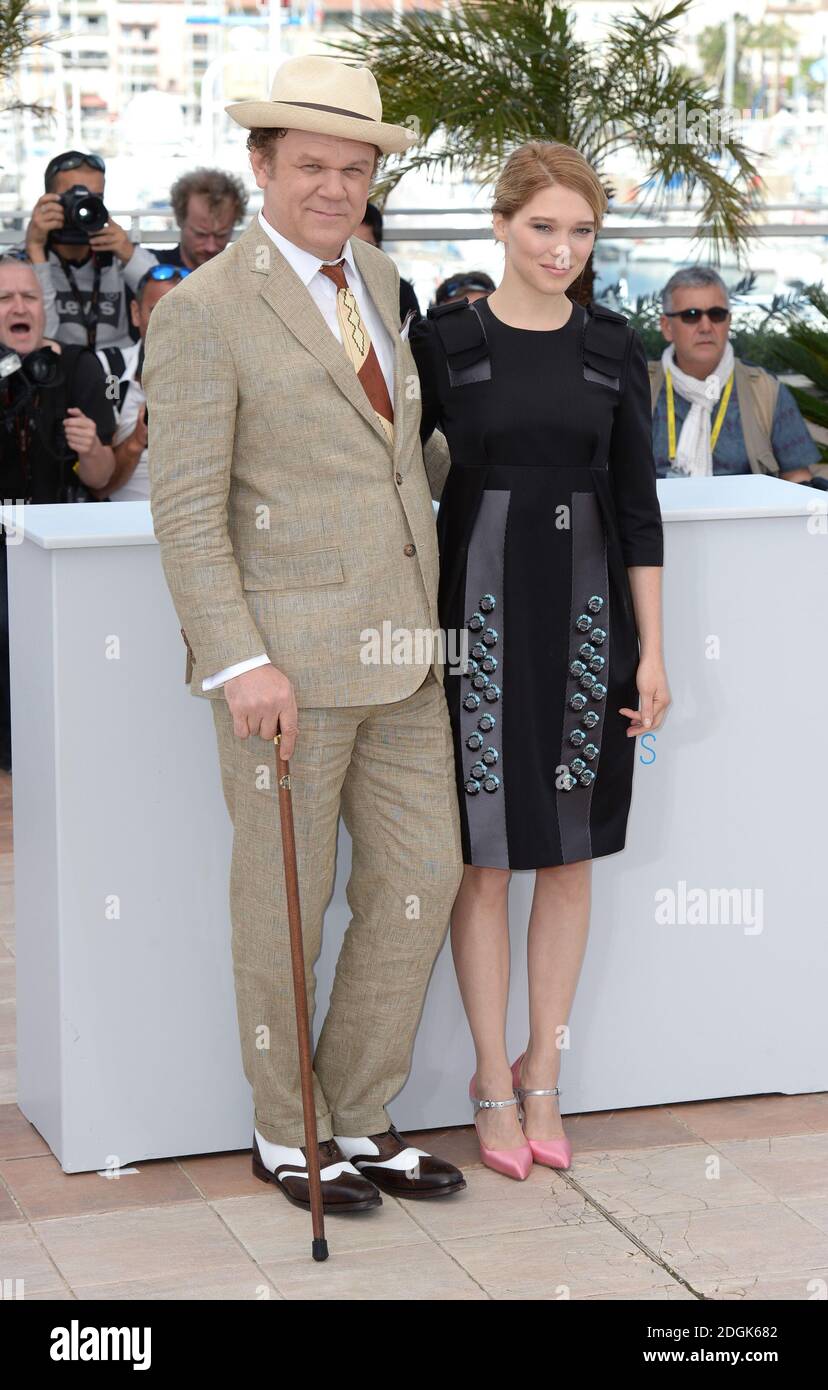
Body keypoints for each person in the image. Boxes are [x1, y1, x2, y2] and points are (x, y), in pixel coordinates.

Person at [143, 54, 467, 1214]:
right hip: (283, 668)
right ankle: (287, 1131)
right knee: (282, 900)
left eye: (356, 167)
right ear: (263, 166)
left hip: (406, 656)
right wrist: (240, 660)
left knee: (425, 877)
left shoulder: (378, 274)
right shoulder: (203, 312)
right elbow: (183, 506)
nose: (336, 187)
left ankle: (359, 1110)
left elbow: (401, 461)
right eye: (314, 165)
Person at [410, 140, 671, 1181]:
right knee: (486, 854)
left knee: (567, 853)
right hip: (475, 619)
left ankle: (543, 1071)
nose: (562, 248)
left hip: (590, 621)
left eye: (582, 230)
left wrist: (653, 654)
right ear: (502, 225)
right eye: (543, 226)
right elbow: (391, 480)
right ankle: (486, 1075)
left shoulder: (614, 347)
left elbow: (640, 508)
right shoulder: (446, 340)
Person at [0, 252, 116, 770]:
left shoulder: (77, 365)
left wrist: (90, 447)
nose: (18, 307)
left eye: (28, 297)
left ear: (44, 308)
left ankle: (64, 746)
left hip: (61, 540)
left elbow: (101, 477)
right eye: (4, 298)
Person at [650, 267, 824, 482]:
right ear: (667, 327)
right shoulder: (637, 386)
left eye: (717, 314)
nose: (706, 327)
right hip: (656, 515)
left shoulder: (765, 389)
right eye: (691, 315)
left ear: (728, 322)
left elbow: (797, 478)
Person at [24, 150, 159, 352]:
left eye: (95, 197)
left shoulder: (116, 251)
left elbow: (170, 305)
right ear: (49, 200)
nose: (84, 206)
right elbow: (42, 336)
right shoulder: (27, 258)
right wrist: (36, 252)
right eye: (74, 197)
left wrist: (128, 254)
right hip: (60, 371)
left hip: (116, 375)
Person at [93, 265, 191, 501]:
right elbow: (98, 487)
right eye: (158, 310)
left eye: (184, 311)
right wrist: (137, 439)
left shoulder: (221, 374)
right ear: (136, 313)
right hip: (117, 528)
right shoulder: (111, 372)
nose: (171, 323)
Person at [153, 168, 248, 270]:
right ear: (180, 220)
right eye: (200, 234)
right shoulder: (152, 267)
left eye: (221, 235)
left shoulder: (243, 274)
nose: (211, 247)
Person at [353, 200, 421, 324]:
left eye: (364, 246)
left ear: (378, 247)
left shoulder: (400, 291)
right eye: (348, 246)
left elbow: (415, 341)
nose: (355, 253)